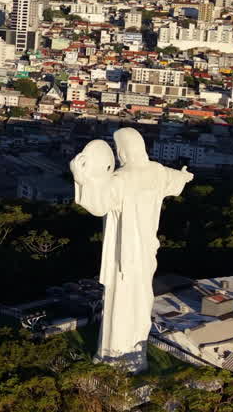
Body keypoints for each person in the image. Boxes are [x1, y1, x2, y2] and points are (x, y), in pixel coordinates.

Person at [71, 128, 192, 371]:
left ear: (122, 151)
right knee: (140, 301)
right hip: (146, 252)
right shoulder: (157, 172)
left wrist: (82, 177)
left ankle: (115, 357)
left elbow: (97, 205)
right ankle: (136, 357)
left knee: (121, 302)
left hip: (124, 255)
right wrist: (185, 176)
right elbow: (178, 180)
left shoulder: (120, 179)